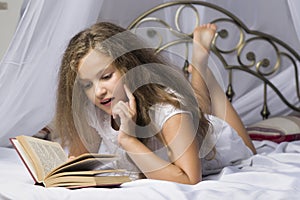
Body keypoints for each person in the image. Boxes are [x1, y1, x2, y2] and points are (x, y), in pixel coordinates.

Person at [53, 21, 256, 185]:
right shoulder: (93, 111)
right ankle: (198, 72)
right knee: (196, 107)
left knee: (223, 128)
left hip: (215, 142)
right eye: (87, 85)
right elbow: (78, 163)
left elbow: (190, 180)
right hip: (186, 125)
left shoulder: (168, 111)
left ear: (129, 67)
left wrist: (128, 141)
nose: (98, 92)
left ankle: (201, 69)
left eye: (106, 76)